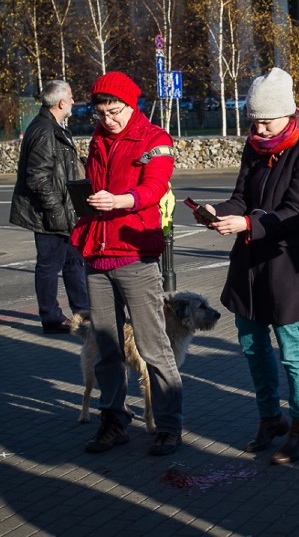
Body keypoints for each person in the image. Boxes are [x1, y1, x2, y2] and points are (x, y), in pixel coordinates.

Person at [194, 68, 299, 465]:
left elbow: (295, 210)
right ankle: (269, 419)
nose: (258, 127)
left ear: (288, 113)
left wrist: (247, 224)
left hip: (289, 263)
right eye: (254, 120)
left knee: (293, 349)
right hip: (250, 264)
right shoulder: (254, 147)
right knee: (253, 347)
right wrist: (216, 212)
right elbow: (240, 197)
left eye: (266, 120)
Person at [70, 71, 183, 456]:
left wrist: (121, 201)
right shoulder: (100, 138)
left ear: (132, 105)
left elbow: (155, 186)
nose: (108, 120)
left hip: (135, 254)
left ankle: (168, 426)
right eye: (101, 113)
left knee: (153, 345)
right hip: (98, 252)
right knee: (105, 346)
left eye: (115, 111)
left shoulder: (154, 138)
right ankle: (113, 420)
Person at [10, 80, 89, 334]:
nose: (74, 102)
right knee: (49, 266)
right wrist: (56, 211)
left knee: (74, 262)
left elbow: (61, 167)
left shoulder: (55, 127)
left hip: (65, 212)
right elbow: (38, 177)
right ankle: (51, 318)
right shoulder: (44, 130)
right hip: (50, 214)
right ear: (61, 102)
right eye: (72, 97)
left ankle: (82, 312)